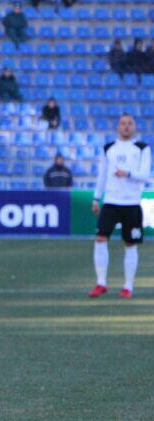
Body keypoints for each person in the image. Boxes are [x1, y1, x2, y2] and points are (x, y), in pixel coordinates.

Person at [89, 114, 151, 299]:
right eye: (123, 123)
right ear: (118, 126)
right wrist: (96, 198)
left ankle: (128, 286)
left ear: (134, 127)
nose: (126, 126)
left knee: (130, 244)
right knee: (100, 238)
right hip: (111, 202)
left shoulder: (142, 148)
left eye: (129, 123)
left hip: (131, 203)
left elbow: (144, 175)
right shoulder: (109, 148)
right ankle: (101, 283)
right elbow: (102, 175)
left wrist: (127, 173)